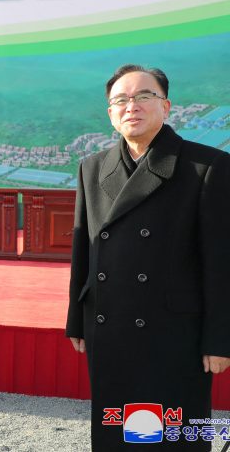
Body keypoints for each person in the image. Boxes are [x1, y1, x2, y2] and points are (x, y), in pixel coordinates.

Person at [65, 64, 230, 451]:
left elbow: (222, 262)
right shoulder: (92, 167)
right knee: (116, 432)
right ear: (110, 113)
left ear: (166, 106)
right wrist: (76, 319)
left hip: (174, 332)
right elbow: (84, 250)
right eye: (120, 100)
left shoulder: (206, 167)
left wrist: (221, 339)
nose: (131, 106)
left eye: (144, 96)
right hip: (109, 326)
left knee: (172, 433)